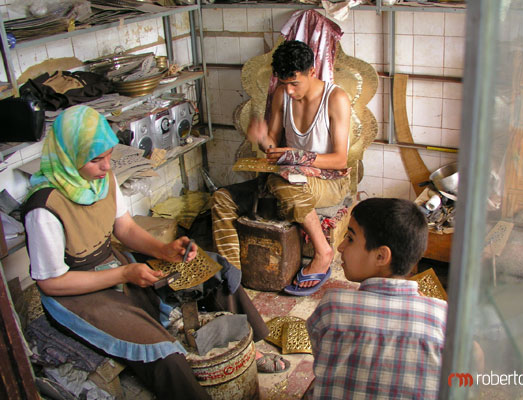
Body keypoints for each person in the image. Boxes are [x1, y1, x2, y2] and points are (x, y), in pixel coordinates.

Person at [21, 105, 272, 399]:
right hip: (76, 292)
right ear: (68, 157)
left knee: (213, 272)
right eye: (95, 160)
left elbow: (125, 229)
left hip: (115, 265)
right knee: (164, 354)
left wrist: (165, 250)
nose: (105, 167)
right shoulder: (43, 209)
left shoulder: (103, 179)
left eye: (108, 156)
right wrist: (125, 273)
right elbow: (50, 283)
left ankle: (250, 351)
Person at [211, 39, 352, 296]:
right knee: (222, 198)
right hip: (289, 178)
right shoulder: (281, 95)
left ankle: (323, 251)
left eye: (294, 83)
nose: (288, 90)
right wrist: (263, 137)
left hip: (329, 182)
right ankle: (231, 273)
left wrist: (296, 155)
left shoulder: (336, 98)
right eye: (284, 83)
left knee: (281, 180)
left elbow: (340, 160)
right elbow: (273, 148)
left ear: (312, 71)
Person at [305, 198, 448, 399]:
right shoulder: (443, 317)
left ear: (381, 256)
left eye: (350, 238)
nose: (341, 247)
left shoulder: (332, 307)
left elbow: (323, 357)